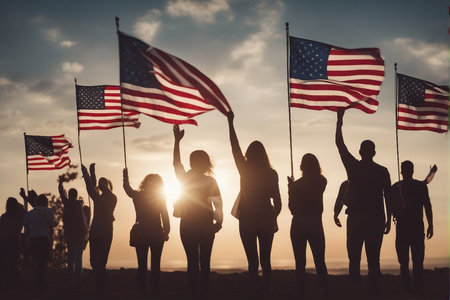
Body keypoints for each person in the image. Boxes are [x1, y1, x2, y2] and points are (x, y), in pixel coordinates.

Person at [335, 108, 391, 292]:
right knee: (374, 259)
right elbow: (388, 197)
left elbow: (339, 144)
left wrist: (339, 121)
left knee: (354, 258)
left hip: (357, 219)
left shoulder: (353, 166)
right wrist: (389, 219)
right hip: (375, 219)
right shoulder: (382, 171)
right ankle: (373, 291)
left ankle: (355, 289)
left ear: (360, 152)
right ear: (373, 153)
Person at [227, 111, 281, 294]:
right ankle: (266, 291)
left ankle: (254, 291)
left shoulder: (245, 170)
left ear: (249, 154)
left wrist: (230, 122)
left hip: (248, 219)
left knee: (252, 261)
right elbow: (278, 201)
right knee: (266, 260)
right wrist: (273, 216)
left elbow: (234, 148)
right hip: (266, 218)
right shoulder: (272, 174)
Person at [172, 125, 223, 298]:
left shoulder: (186, 178)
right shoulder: (211, 181)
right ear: (206, 163)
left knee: (192, 260)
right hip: (206, 225)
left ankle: (193, 291)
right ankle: (204, 291)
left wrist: (177, 141)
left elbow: (176, 163)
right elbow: (219, 204)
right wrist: (219, 223)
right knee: (205, 261)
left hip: (187, 224)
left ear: (192, 163)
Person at [123, 168, 170, 295]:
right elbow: (165, 215)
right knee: (156, 264)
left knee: (141, 264)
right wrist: (166, 231)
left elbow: (127, 189)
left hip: (141, 232)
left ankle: (142, 291)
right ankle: (155, 291)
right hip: (156, 232)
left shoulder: (138, 196)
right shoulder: (160, 197)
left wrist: (125, 176)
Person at [288, 153, 328, 298]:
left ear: (301, 166)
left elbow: (292, 208)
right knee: (319, 260)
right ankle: (324, 289)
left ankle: (301, 291)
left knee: (300, 262)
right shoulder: (322, 181)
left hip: (298, 223)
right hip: (315, 223)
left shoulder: (297, 185)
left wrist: (291, 189)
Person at [391, 161, 433, 292]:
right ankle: (416, 287)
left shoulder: (396, 187)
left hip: (404, 228)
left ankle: (408, 287)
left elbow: (391, 207)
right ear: (412, 171)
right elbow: (428, 206)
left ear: (401, 171)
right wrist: (430, 225)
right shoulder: (420, 186)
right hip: (416, 227)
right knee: (416, 260)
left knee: (405, 261)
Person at [81, 163, 117, 292]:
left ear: (107, 186)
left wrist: (89, 174)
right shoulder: (100, 197)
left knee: (101, 260)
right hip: (101, 230)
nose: (100, 186)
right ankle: (101, 281)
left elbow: (92, 190)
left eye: (103, 184)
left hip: (101, 230)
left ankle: (100, 283)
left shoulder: (112, 197)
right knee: (95, 259)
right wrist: (90, 174)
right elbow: (91, 188)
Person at [58, 177, 89, 288]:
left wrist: (60, 184)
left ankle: (70, 279)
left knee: (71, 257)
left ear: (70, 195)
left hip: (70, 234)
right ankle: (78, 280)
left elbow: (62, 194)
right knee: (78, 257)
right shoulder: (79, 205)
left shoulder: (68, 203)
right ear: (76, 195)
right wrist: (86, 233)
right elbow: (82, 221)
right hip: (80, 234)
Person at [23, 193, 57, 289]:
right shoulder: (49, 211)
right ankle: (41, 281)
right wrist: (56, 223)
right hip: (43, 237)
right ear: (46, 202)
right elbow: (51, 224)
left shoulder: (31, 213)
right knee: (43, 260)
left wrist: (28, 233)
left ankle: (38, 280)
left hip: (33, 238)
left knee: (37, 260)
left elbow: (25, 223)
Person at [0, 197, 26, 289]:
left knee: (5, 263)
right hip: (14, 241)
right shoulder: (19, 216)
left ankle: (5, 283)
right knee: (13, 262)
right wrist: (23, 200)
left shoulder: (3, 216)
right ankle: (13, 282)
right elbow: (24, 210)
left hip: (3, 241)